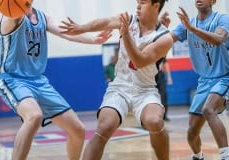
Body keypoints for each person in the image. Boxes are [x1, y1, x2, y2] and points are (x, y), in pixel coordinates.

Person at [0, 2, 111, 160]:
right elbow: (12, 11)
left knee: (78, 129)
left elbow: (66, 32)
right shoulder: (12, 16)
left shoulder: (42, 17)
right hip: (14, 80)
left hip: (39, 82)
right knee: (34, 116)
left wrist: (93, 40)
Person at [60, 0, 173, 159]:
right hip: (120, 86)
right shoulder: (129, 20)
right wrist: (82, 28)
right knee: (105, 126)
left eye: (143, 2)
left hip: (145, 89)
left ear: (156, 6)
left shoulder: (164, 37)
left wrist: (125, 34)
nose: (138, 5)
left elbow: (139, 61)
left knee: (155, 121)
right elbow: (105, 22)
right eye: (137, 2)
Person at [164, 0, 229, 159]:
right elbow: (166, 40)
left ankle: (225, 155)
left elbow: (218, 39)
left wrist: (192, 29)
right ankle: (198, 156)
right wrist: (161, 29)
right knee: (192, 131)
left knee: (209, 109)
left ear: (213, 1)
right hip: (203, 81)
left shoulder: (222, 19)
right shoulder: (188, 23)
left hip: (223, 77)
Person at [155, 57, 173, 121]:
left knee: (164, 95)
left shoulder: (161, 51)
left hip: (159, 75)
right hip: (149, 75)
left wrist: (169, 77)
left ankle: (164, 116)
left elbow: (165, 63)